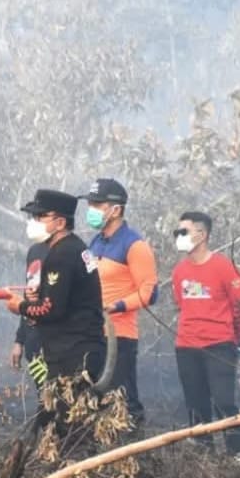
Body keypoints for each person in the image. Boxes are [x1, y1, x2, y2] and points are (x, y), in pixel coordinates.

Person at [5, 189, 106, 390]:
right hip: (57, 347)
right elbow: (45, 296)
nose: (34, 221)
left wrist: (20, 306)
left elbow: (51, 309)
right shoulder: (57, 249)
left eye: (41, 216)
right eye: (33, 216)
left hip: (75, 352)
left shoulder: (64, 254)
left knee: (66, 414)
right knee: (51, 409)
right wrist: (22, 337)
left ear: (60, 223)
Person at [171, 211, 240, 455]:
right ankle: (203, 456)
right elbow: (180, 304)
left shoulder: (224, 267)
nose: (178, 237)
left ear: (202, 234)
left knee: (224, 401)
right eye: (177, 232)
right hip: (186, 346)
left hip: (219, 345)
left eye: (183, 232)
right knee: (196, 405)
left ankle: (237, 453)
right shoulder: (179, 271)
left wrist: (232, 337)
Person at [80, 178, 158, 427]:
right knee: (97, 396)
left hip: (120, 335)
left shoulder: (134, 245)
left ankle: (135, 449)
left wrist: (117, 306)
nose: (91, 209)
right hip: (92, 332)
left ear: (116, 209)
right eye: (90, 203)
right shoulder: (95, 242)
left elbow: (149, 293)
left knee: (123, 397)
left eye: (97, 204)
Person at [10, 241, 50, 387]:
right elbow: (28, 299)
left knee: (59, 396)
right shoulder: (34, 251)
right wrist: (19, 341)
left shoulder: (67, 251)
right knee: (43, 392)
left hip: (56, 342)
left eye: (40, 217)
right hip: (33, 344)